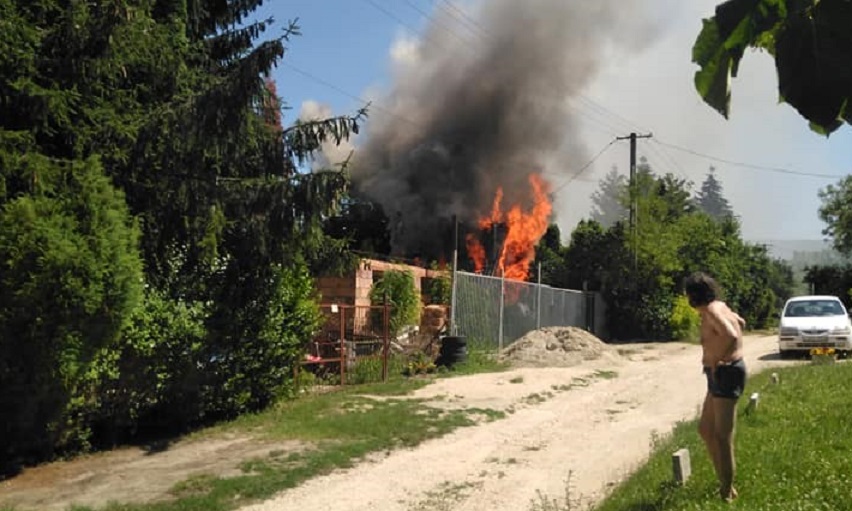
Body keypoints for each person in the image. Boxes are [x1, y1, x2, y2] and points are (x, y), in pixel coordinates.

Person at [684, 272, 747, 502]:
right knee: (705, 430)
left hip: (725, 373)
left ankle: (727, 493)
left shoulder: (711, 311)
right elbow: (740, 323)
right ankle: (725, 483)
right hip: (721, 373)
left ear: (693, 295)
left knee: (722, 436)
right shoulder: (720, 306)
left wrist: (719, 359)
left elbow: (730, 334)